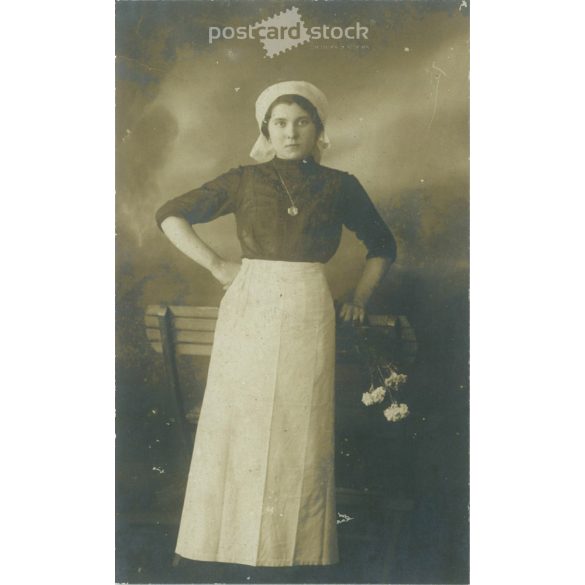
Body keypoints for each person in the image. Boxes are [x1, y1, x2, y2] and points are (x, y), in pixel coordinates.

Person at [155, 81, 396, 567]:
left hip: (310, 302)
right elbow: (170, 213)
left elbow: (383, 246)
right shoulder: (244, 179)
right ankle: (222, 546)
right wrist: (220, 268)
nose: (291, 133)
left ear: (317, 130)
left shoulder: (340, 185)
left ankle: (295, 553)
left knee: (298, 424)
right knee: (237, 421)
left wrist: (360, 299)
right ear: (266, 129)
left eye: (301, 122)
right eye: (281, 123)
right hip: (249, 303)